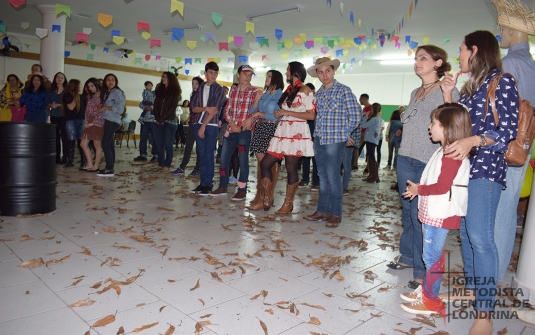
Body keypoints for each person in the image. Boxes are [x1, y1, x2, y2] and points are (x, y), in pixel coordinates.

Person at [441, 30, 519, 335]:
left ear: (474, 50)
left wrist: (474, 138)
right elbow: (456, 131)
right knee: (467, 235)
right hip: (464, 173)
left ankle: (485, 313)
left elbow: (507, 131)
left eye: (461, 50)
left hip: (486, 171)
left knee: (482, 239)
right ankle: (474, 292)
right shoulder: (472, 88)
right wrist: (449, 97)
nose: (458, 56)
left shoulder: (503, 80)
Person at [388, 45, 459, 292]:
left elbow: (455, 120)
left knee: (421, 216)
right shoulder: (415, 91)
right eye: (416, 58)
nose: (417, 62)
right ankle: (407, 256)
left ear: (438, 63)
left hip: (427, 161)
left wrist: (448, 95)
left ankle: (421, 270)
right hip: (405, 156)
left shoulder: (446, 89)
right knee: (407, 211)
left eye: (423, 58)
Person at [399, 103, 471, 316]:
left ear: (447, 127)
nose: (429, 127)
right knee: (430, 255)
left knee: (431, 258)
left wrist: (418, 189)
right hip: (435, 212)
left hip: (441, 214)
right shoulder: (445, 150)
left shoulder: (451, 154)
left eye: (433, 123)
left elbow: (442, 186)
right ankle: (427, 292)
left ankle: (431, 301)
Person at [491, 0, 535, 283]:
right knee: (507, 215)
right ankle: (494, 278)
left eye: (503, 28)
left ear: (513, 30)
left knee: (495, 216)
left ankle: (487, 279)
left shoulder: (508, 64)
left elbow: (498, 115)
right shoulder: (531, 64)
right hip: (523, 150)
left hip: (503, 151)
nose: (500, 32)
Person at [248, 62, 314, 213]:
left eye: (288, 70)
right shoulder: (289, 89)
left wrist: (287, 113)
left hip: (296, 132)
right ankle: (266, 198)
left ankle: (288, 204)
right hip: (282, 130)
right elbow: (285, 110)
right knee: (265, 164)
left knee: (291, 168)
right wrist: (280, 113)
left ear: (296, 72)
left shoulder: (306, 90)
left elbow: (311, 115)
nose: (286, 73)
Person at [303, 57, 361, 227]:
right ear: (317, 75)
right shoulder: (319, 93)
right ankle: (322, 210)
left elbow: (355, 115)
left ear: (333, 71)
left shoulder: (344, 90)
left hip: (336, 139)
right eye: (320, 72)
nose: (324, 74)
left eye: (327, 70)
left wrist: (344, 133)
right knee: (322, 175)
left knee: (333, 175)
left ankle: (335, 213)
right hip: (320, 138)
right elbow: (318, 117)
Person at [211, 65, 258, 200]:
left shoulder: (255, 92)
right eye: (245, 74)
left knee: (243, 161)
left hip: (244, 132)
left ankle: (242, 189)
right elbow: (227, 110)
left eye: (250, 75)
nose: (247, 78)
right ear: (238, 75)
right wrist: (231, 123)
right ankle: (223, 186)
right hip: (230, 131)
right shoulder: (233, 90)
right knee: (224, 160)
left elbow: (255, 112)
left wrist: (244, 124)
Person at [246, 70, 284, 209]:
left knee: (269, 165)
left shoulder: (281, 95)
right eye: (266, 76)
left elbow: (279, 115)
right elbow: (252, 110)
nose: (266, 78)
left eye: (269, 76)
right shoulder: (265, 93)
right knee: (261, 164)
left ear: (276, 79)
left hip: (273, 129)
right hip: (261, 128)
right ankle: (261, 195)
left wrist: (261, 113)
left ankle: (266, 197)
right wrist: (257, 99)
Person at [190, 62, 226, 195]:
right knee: (201, 154)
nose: (213, 75)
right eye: (211, 72)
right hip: (197, 124)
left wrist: (203, 126)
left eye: (216, 73)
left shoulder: (219, 89)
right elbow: (194, 108)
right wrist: (205, 108)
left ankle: (208, 184)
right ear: (205, 74)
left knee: (209, 154)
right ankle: (203, 183)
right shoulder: (200, 88)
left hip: (210, 125)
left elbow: (215, 110)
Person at [171, 77, 203, 176]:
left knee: (199, 148)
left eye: (196, 84)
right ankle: (182, 167)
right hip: (192, 124)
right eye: (193, 83)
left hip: (200, 124)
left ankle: (198, 169)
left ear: (200, 85)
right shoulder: (193, 95)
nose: (194, 85)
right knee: (188, 146)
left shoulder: (202, 96)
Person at [97, 73, 126, 177]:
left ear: (116, 82)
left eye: (113, 80)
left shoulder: (118, 92)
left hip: (113, 120)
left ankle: (109, 169)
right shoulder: (106, 93)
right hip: (107, 120)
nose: (110, 82)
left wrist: (105, 107)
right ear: (105, 82)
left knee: (105, 143)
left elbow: (120, 109)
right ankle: (110, 167)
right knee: (109, 144)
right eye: (108, 80)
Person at [152, 72, 181, 172]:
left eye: (166, 77)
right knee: (159, 144)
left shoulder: (175, 93)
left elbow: (172, 109)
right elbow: (155, 107)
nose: (163, 78)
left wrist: (161, 119)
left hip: (170, 122)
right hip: (159, 121)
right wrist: (157, 118)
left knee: (168, 144)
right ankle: (161, 163)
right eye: (163, 77)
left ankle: (167, 164)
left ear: (171, 79)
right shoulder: (160, 92)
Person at [299, 82, 320, 190]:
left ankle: (316, 181)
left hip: (315, 131)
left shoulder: (316, 101)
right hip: (304, 130)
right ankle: (305, 179)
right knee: (305, 156)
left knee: (316, 157)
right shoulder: (301, 101)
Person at [62, 79, 87, 169]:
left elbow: (87, 109)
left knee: (82, 142)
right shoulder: (67, 96)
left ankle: (83, 161)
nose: (81, 87)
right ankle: (70, 161)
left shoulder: (82, 97)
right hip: (70, 121)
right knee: (70, 142)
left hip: (81, 121)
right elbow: (71, 107)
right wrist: (76, 97)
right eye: (79, 85)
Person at [80, 78, 103, 172]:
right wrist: (86, 122)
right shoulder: (91, 97)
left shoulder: (102, 97)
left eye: (92, 86)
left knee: (97, 144)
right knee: (83, 144)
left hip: (97, 123)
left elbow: (102, 113)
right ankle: (90, 164)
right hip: (89, 122)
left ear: (97, 85)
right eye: (89, 86)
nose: (90, 88)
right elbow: (87, 111)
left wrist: (92, 123)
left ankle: (96, 165)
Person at [46, 72, 68, 164]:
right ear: (55, 79)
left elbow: (69, 104)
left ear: (64, 80)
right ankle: (57, 158)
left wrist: (58, 105)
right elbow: (47, 103)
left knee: (64, 137)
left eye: (61, 77)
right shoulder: (51, 90)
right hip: (54, 115)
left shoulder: (67, 90)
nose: (59, 79)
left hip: (64, 116)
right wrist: (51, 105)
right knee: (56, 138)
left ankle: (65, 158)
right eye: (58, 77)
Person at [134, 82, 158, 162]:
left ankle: (156, 155)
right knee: (143, 138)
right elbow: (140, 104)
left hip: (154, 120)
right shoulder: (146, 94)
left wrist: (151, 107)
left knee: (155, 138)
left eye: (151, 85)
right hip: (144, 120)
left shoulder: (158, 97)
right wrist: (145, 106)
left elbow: (160, 107)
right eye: (148, 85)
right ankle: (143, 155)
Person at [361, 103, 383, 183]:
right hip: (373, 139)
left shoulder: (375, 119)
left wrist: (365, 116)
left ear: (374, 109)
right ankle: (373, 176)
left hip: (371, 140)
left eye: (372, 108)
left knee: (371, 157)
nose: (370, 110)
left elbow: (363, 125)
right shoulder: (378, 118)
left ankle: (374, 176)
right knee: (371, 157)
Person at [342, 116, 362, 195]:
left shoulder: (354, 107)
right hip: (338, 141)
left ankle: (344, 187)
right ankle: (340, 187)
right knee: (337, 165)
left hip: (348, 142)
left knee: (346, 165)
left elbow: (357, 127)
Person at [356, 93, 371, 171]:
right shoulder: (364, 109)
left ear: (364, 99)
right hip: (362, 131)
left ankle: (368, 167)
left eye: (360, 99)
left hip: (368, 132)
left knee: (369, 150)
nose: (360, 101)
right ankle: (355, 164)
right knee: (357, 147)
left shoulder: (371, 108)